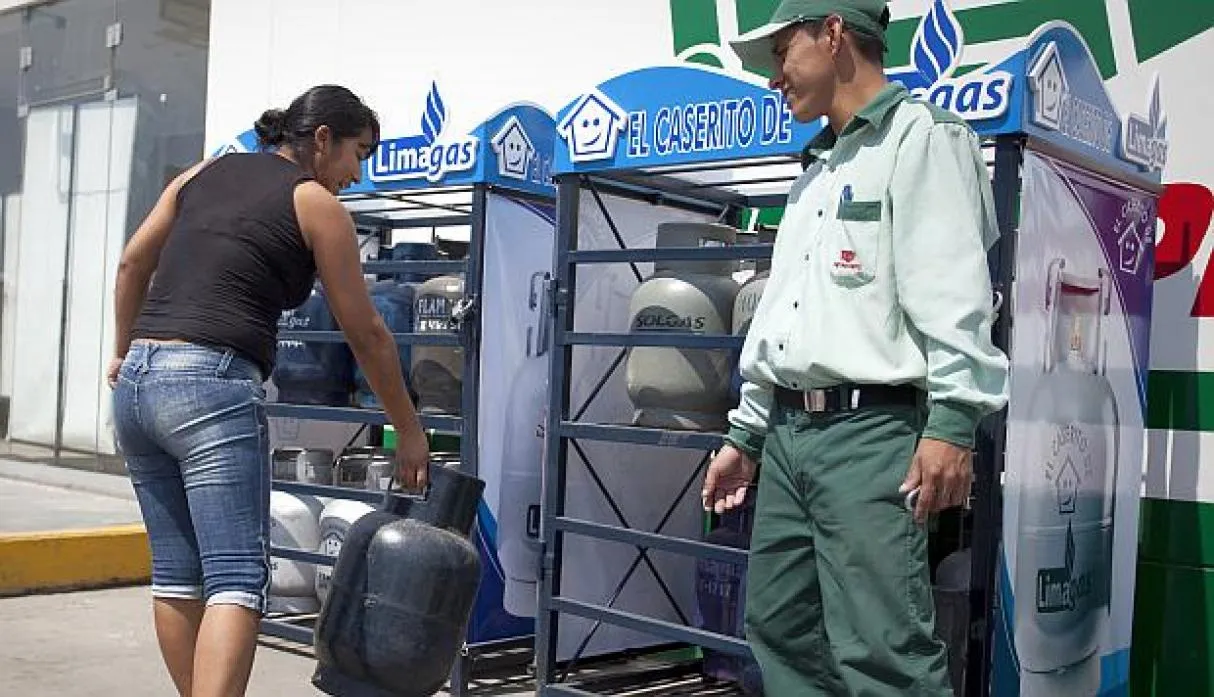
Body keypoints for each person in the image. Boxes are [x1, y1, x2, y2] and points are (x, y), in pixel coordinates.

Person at [701, 1, 1011, 694]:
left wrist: (954, 422)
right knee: (782, 629)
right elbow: (786, 315)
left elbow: (956, 292)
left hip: (872, 435)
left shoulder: (922, 140)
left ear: (834, 32)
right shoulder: (815, 171)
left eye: (782, 53)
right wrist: (747, 434)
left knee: (883, 651)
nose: (774, 77)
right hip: (787, 435)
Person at [109, 85, 431, 697]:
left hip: (139, 386)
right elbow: (365, 330)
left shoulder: (201, 174)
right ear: (321, 140)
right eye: (357, 152)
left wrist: (123, 352)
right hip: (210, 384)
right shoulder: (315, 204)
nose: (357, 173)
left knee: (178, 574)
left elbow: (132, 264)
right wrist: (410, 432)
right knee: (234, 576)